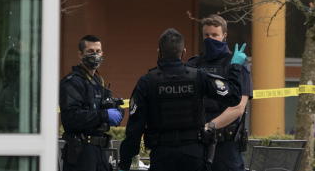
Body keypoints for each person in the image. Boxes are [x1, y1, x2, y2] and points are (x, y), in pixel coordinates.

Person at [118, 27, 247, 171]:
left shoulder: (147, 82)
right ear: (183, 52)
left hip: (162, 156)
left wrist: (124, 163)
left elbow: (134, 130)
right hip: (194, 156)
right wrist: (235, 67)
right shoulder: (198, 77)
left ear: (159, 52)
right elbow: (234, 97)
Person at [186, 15, 251, 171]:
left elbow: (238, 107)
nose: (210, 39)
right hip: (197, 144)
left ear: (224, 36)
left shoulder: (236, 63)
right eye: (206, 35)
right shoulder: (193, 64)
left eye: (215, 35)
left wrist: (209, 126)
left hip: (226, 145)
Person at [60, 34, 125, 171]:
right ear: (80, 54)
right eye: (90, 51)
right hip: (81, 153)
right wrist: (103, 115)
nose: (95, 55)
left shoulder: (97, 81)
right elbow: (72, 117)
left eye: (98, 51)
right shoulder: (72, 82)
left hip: (101, 152)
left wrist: (116, 110)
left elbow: (102, 108)